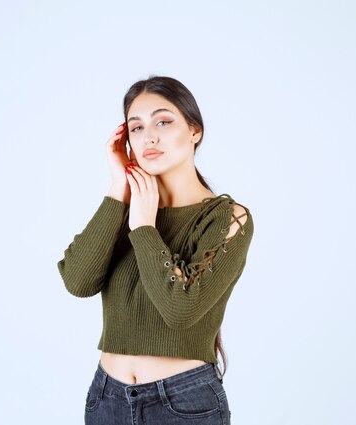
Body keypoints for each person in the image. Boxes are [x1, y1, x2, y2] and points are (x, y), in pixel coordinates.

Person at [57, 75, 254, 424]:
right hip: (107, 398)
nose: (149, 136)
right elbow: (78, 281)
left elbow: (180, 309)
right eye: (136, 127)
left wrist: (145, 228)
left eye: (163, 121)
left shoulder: (228, 218)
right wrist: (119, 188)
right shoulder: (124, 209)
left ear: (194, 131)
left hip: (183, 403)